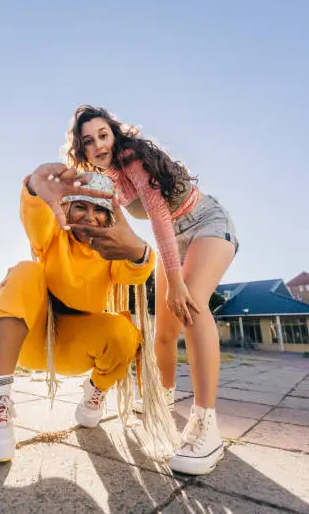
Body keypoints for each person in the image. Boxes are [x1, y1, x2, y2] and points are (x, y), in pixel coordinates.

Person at [64, 106, 239, 476]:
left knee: (190, 307)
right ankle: (162, 396)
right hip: (173, 238)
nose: (97, 144)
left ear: (115, 134)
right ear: (82, 148)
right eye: (88, 140)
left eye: (103, 135)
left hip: (206, 221)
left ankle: (206, 425)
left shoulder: (132, 157)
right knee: (163, 334)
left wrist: (175, 281)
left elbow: (158, 213)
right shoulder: (106, 175)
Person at [0, 163, 175, 465]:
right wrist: (33, 187)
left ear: (110, 218)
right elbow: (35, 218)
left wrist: (138, 249)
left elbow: (135, 272)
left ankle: (94, 390)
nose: (90, 216)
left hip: (76, 349)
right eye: (80, 206)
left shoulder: (109, 251)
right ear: (64, 209)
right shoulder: (52, 236)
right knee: (25, 272)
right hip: (31, 339)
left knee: (124, 331)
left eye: (99, 210)